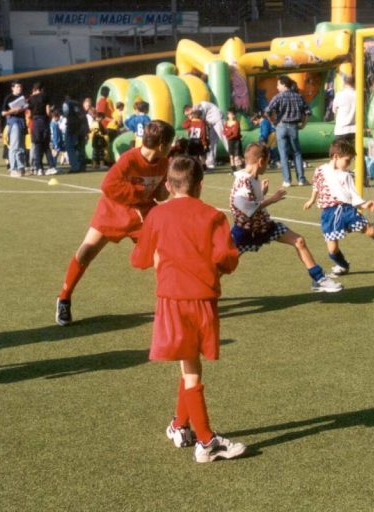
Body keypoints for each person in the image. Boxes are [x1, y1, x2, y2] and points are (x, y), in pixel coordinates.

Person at [130, 156, 246, 464]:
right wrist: (214, 270)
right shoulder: (213, 216)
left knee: (189, 363)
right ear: (200, 185)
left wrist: (150, 237)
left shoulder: (157, 215)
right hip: (202, 299)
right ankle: (207, 442)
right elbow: (228, 258)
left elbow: (139, 260)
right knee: (192, 368)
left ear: (168, 185)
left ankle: (179, 425)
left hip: (171, 300)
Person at [54, 120, 176, 326]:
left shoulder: (164, 162)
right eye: (170, 143)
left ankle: (168, 304)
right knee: (86, 252)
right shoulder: (129, 160)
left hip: (141, 216)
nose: (172, 147)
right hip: (113, 212)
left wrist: (168, 188)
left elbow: (159, 194)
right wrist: (137, 196)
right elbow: (108, 186)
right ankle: (64, 297)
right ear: (162, 144)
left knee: (162, 254)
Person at [230, 143, 342, 293]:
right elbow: (244, 206)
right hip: (245, 232)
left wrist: (261, 193)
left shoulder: (252, 177)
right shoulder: (242, 180)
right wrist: (272, 199)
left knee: (299, 241)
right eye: (267, 162)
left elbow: (251, 202)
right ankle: (203, 290)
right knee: (226, 264)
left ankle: (319, 279)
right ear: (261, 161)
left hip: (265, 226)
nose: (267, 166)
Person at [303, 139, 374, 278]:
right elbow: (317, 185)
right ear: (335, 157)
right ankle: (343, 265)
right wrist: (312, 199)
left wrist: (364, 204)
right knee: (332, 249)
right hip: (329, 214)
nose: (349, 165)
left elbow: (353, 195)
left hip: (347, 211)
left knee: (369, 230)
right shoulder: (320, 170)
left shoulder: (346, 175)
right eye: (347, 161)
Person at [265, 75, 311, 187]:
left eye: (278, 84)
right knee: (297, 153)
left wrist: (272, 122)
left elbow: (267, 111)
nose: (277, 87)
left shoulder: (278, 97)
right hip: (294, 127)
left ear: (284, 85)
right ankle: (301, 179)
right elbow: (308, 111)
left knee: (283, 154)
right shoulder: (298, 96)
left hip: (281, 126)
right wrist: (303, 124)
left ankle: (287, 180)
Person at [183, 101, 226, 169]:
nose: (189, 116)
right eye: (187, 116)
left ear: (190, 109)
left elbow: (201, 124)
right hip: (210, 122)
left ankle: (236, 158)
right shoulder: (195, 115)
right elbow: (186, 125)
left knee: (225, 138)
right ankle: (210, 162)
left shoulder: (198, 108)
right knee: (212, 143)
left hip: (217, 119)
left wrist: (204, 140)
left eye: (189, 114)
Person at [27, 82, 56, 175]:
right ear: (42, 89)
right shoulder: (45, 96)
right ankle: (51, 166)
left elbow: (29, 114)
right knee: (46, 145)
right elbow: (48, 111)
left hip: (36, 121)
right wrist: (50, 117)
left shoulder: (31, 99)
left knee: (37, 145)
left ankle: (39, 168)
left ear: (35, 89)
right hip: (44, 121)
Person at [2, 81, 28, 177]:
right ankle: (13, 168)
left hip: (22, 121)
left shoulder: (23, 97)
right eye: (17, 87)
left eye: (20, 87)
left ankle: (21, 167)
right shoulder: (9, 98)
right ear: (12, 88)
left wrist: (22, 108)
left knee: (21, 146)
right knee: (14, 145)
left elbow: (26, 107)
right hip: (13, 121)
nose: (19, 88)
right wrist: (13, 110)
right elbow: (3, 113)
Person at [62, 94, 84, 172]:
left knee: (69, 146)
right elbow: (81, 115)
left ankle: (75, 166)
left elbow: (65, 113)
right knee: (78, 147)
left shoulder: (66, 103)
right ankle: (81, 165)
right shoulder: (78, 103)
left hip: (70, 125)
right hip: (79, 125)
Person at [332, 74, 356, 145]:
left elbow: (334, 110)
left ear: (344, 82)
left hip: (341, 129)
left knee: (341, 152)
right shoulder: (358, 94)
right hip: (354, 128)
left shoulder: (339, 95)